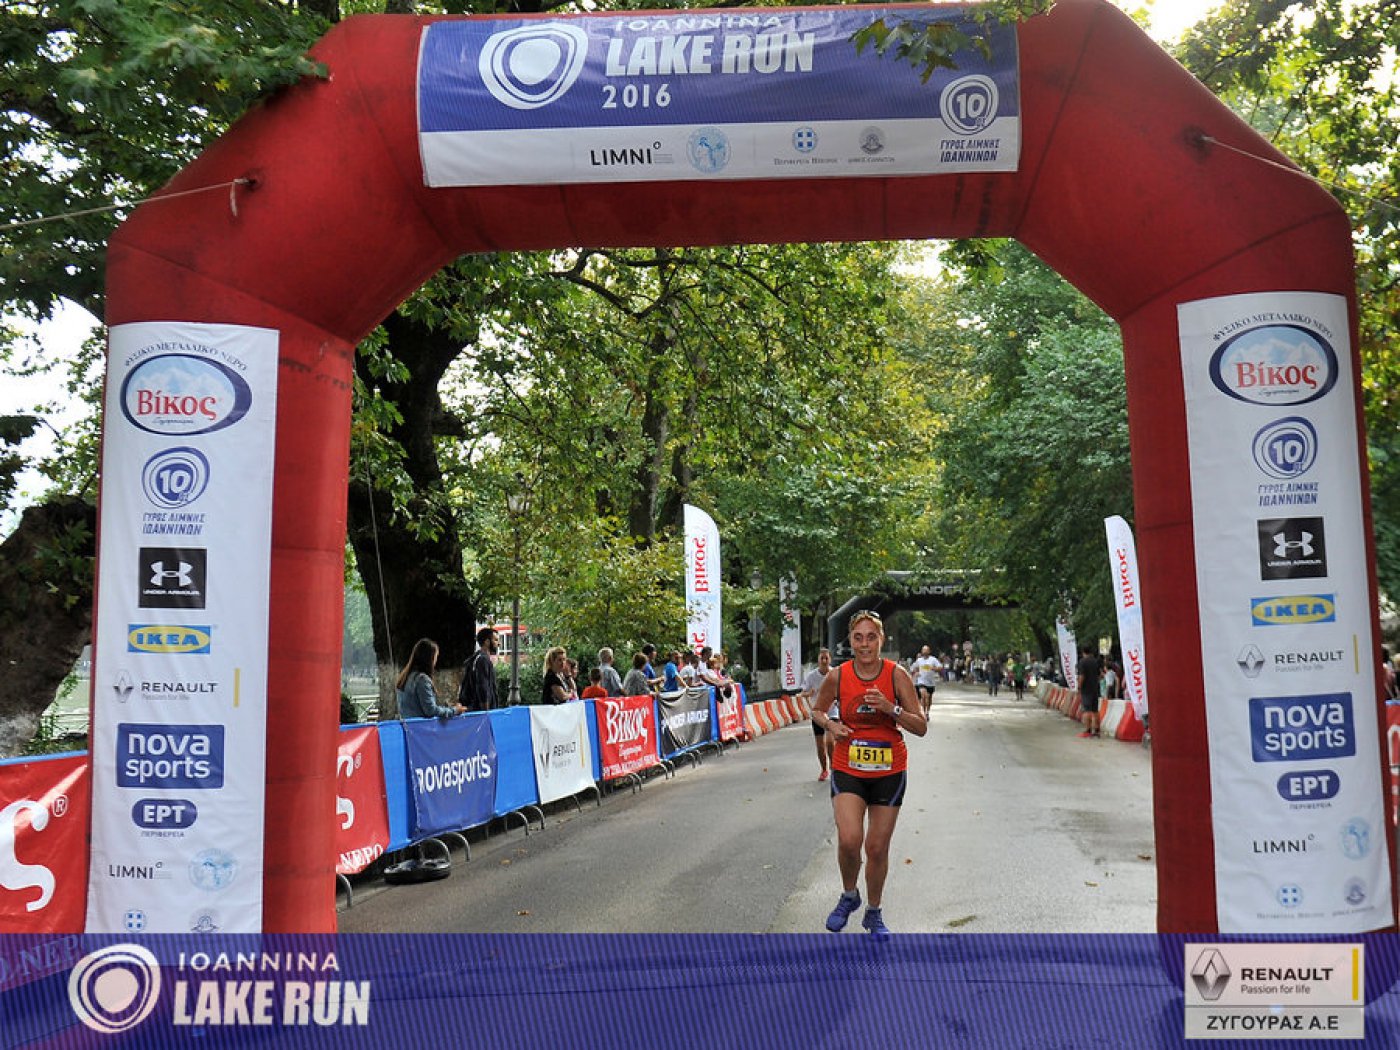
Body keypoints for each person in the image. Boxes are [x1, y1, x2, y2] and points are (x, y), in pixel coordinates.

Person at [810, 611, 927, 939]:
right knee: (850, 840)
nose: (864, 644)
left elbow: (920, 726)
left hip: (889, 770)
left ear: (881, 640)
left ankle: (873, 912)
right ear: (850, 640)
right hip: (848, 765)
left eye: (871, 637)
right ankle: (850, 895)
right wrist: (832, 725)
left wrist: (891, 709)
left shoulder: (896, 675)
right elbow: (817, 710)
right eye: (858, 637)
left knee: (876, 848)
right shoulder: (838, 675)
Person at [396, 638, 464, 719]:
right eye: (435, 657)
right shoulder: (422, 680)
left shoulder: (405, 677)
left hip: (408, 724)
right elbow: (430, 710)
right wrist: (454, 710)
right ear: (429, 658)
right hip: (421, 725)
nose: (436, 661)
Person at [800, 648, 835, 781]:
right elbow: (803, 693)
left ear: (830, 660)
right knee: (820, 745)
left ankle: (834, 767)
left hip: (832, 711)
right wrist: (809, 693)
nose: (824, 661)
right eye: (822, 658)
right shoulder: (812, 676)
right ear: (818, 660)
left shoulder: (835, 673)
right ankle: (824, 769)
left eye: (826, 658)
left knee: (830, 742)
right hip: (817, 713)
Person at [457, 626, 499, 711]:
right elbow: (482, 686)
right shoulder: (483, 660)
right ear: (487, 642)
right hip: (480, 711)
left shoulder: (475, 658)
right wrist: (486, 711)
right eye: (495, 640)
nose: (498, 643)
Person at [1076, 646, 1101, 738]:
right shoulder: (1095, 661)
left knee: (1087, 710)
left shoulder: (1082, 662)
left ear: (1083, 652)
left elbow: (1082, 676)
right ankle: (1097, 730)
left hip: (1086, 689)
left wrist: (1079, 687)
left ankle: (1088, 730)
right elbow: (1100, 675)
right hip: (1095, 688)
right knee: (1095, 710)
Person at [910, 645, 940, 714]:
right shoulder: (919, 660)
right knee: (924, 695)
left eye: (926, 650)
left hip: (931, 683)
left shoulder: (933, 659)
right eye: (923, 650)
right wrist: (916, 672)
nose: (925, 651)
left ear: (929, 651)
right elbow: (912, 668)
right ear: (922, 651)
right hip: (921, 681)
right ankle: (923, 712)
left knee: (929, 698)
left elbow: (940, 667)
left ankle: (927, 711)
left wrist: (934, 668)